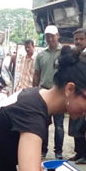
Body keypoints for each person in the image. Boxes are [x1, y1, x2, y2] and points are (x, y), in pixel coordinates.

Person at [33, 25, 64, 159]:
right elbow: (36, 74)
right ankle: (43, 150)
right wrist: (34, 91)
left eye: (52, 36)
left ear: (58, 36)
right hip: (44, 92)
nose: (50, 39)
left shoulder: (64, 53)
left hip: (59, 92)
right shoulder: (41, 55)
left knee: (59, 125)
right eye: (47, 37)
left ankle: (58, 152)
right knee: (43, 124)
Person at [68, 28, 86, 163]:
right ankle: (78, 152)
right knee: (74, 125)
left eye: (81, 39)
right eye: (76, 39)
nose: (78, 41)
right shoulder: (72, 56)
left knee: (84, 126)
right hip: (74, 93)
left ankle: (85, 154)